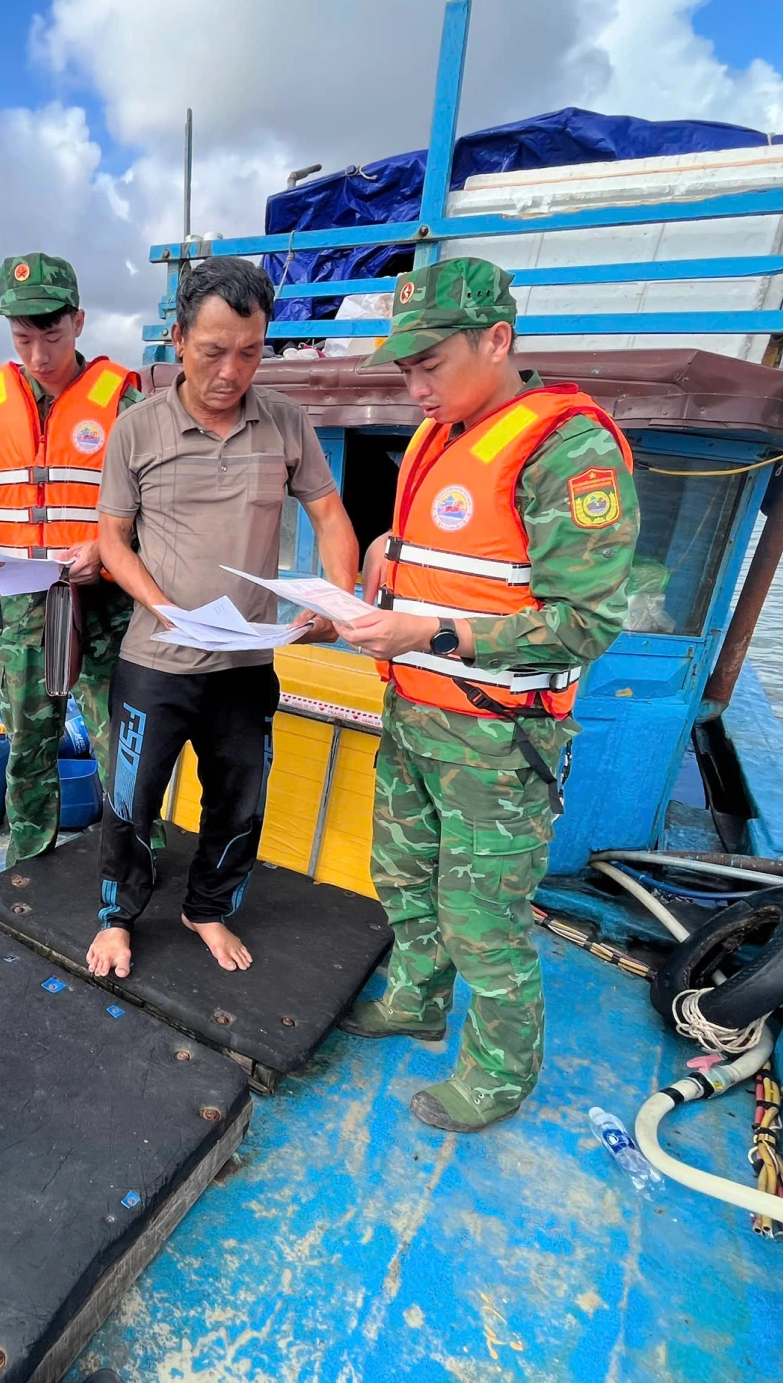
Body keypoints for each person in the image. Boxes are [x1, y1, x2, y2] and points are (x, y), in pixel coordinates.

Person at [331, 257, 639, 1133]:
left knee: (483, 918)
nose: (415, 386)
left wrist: (433, 634)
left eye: (430, 364)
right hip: (415, 719)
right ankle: (417, 999)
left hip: (497, 743)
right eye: (405, 369)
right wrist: (389, 556)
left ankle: (500, 1074)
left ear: (497, 339)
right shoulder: (443, 434)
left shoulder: (567, 449)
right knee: (401, 877)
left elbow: (584, 623)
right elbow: (465, 558)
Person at [89, 257, 358, 980]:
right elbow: (111, 539)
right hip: (156, 661)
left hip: (247, 663)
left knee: (239, 803)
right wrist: (164, 607)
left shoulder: (286, 423)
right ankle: (117, 918)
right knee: (130, 801)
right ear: (177, 338)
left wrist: (340, 598)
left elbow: (329, 512)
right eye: (212, 352)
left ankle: (205, 908)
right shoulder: (137, 431)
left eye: (249, 352)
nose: (231, 372)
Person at [0, 254, 142, 868]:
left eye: (50, 335)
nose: (37, 354)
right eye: (22, 338)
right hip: (24, 607)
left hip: (104, 609)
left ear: (78, 322)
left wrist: (105, 552)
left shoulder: (122, 400)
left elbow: (158, 508)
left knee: (122, 744)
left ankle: (139, 857)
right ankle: (28, 864)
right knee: (27, 741)